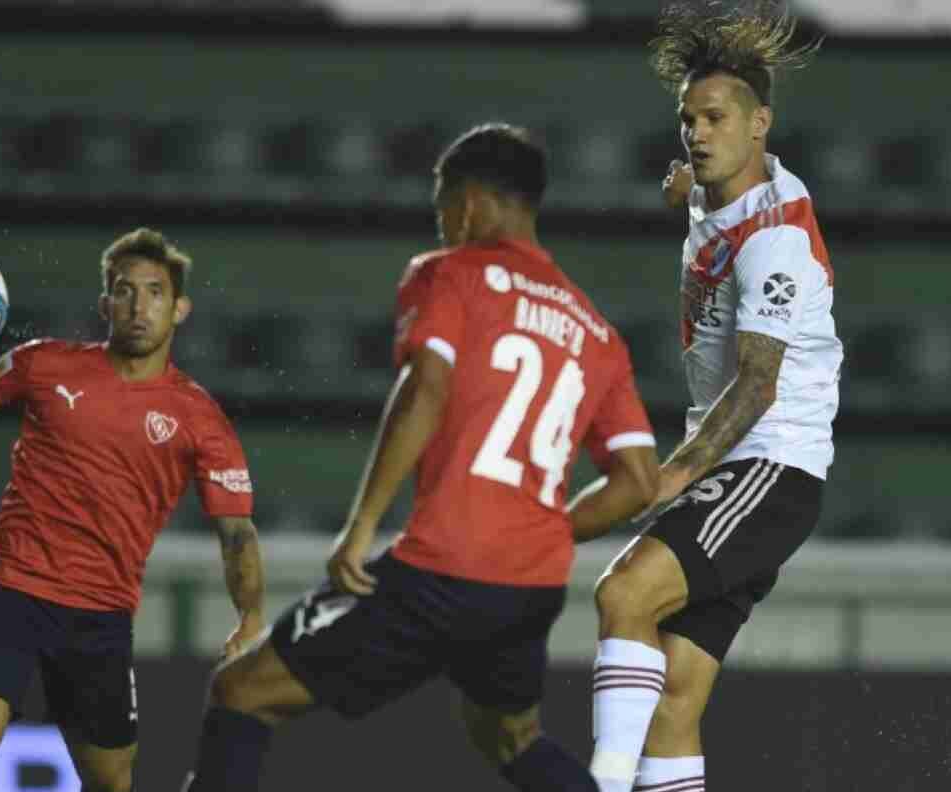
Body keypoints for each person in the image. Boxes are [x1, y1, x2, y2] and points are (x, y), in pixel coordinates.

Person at [180, 123, 660, 792]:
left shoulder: (450, 274)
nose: (442, 225)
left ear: (468, 202)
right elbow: (638, 482)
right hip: (529, 586)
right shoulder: (595, 330)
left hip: (443, 568)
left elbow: (426, 386)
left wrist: (362, 524)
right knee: (512, 737)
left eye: (442, 208)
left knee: (241, 691)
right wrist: (542, 528)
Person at [568, 4, 843, 791]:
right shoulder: (712, 188)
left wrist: (680, 473)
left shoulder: (776, 241)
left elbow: (758, 383)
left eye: (715, 118)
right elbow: (697, 192)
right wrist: (683, 190)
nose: (696, 132)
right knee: (673, 698)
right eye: (687, 118)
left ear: (762, 123)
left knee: (623, 592)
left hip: (770, 463)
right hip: (761, 473)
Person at [0, 228, 267, 792]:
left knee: (111, 779)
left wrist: (250, 616)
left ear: (179, 309)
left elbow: (237, 532)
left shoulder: (200, 419)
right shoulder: (44, 365)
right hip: (11, 590)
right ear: (105, 305)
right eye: (124, 291)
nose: (138, 305)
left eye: (154, 292)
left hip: (100, 616)